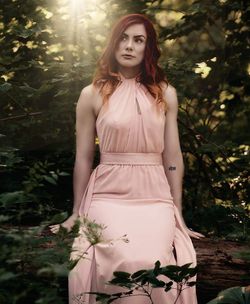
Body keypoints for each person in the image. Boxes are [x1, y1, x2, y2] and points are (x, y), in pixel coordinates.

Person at [49, 13, 205, 304]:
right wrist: (75, 213)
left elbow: (172, 156)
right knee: (118, 259)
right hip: (108, 195)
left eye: (138, 40)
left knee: (150, 261)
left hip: (154, 196)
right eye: (123, 38)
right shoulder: (91, 94)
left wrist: (177, 214)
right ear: (113, 43)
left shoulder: (165, 93)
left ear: (148, 48)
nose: (129, 46)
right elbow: (83, 157)